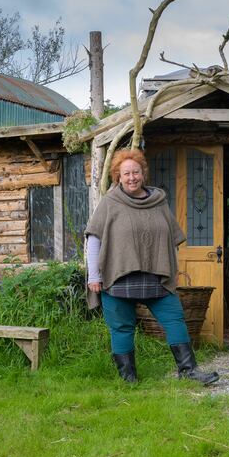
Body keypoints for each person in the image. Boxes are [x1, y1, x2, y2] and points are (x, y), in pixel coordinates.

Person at [85, 148, 219, 385]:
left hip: (156, 276)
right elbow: (94, 238)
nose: (132, 178)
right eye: (126, 173)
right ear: (118, 176)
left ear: (143, 173)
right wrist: (93, 276)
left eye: (136, 172)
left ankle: (189, 371)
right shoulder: (109, 203)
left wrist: (172, 269)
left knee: (175, 319)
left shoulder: (158, 201)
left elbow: (170, 239)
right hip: (118, 277)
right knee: (122, 327)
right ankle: (128, 379)